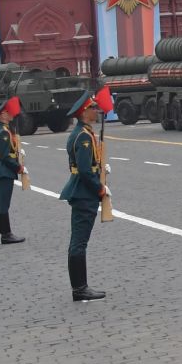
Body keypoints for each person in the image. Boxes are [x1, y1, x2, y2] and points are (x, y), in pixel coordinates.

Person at [57, 89, 108, 301]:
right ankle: (79, 288)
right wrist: (100, 187)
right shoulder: (83, 137)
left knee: (78, 241)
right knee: (79, 241)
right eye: (93, 108)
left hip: (82, 190)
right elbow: (86, 170)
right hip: (84, 192)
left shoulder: (82, 133)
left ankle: (80, 286)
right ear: (84, 112)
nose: (96, 111)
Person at [0, 100, 27, 245]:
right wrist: (18, 167)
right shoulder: (4, 132)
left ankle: (6, 233)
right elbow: (5, 156)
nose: (12, 114)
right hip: (5, 170)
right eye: (8, 112)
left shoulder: (3, 130)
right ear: (2, 115)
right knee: (4, 203)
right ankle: (6, 234)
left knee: (4, 203)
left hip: (4, 170)